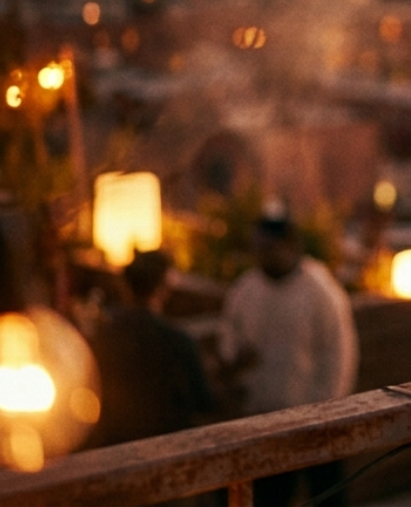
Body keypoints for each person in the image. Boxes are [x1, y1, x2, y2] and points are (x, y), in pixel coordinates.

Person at [220, 217, 357, 507]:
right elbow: (230, 340)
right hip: (264, 418)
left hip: (316, 417)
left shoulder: (321, 291)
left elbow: (339, 354)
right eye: (256, 248)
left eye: (268, 248)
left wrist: (329, 409)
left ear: (290, 246)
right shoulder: (245, 290)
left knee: (326, 496)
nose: (261, 255)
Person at [90, 249, 215, 447]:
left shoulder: (102, 337)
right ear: (164, 286)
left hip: (113, 448)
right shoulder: (178, 341)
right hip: (166, 449)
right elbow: (203, 402)